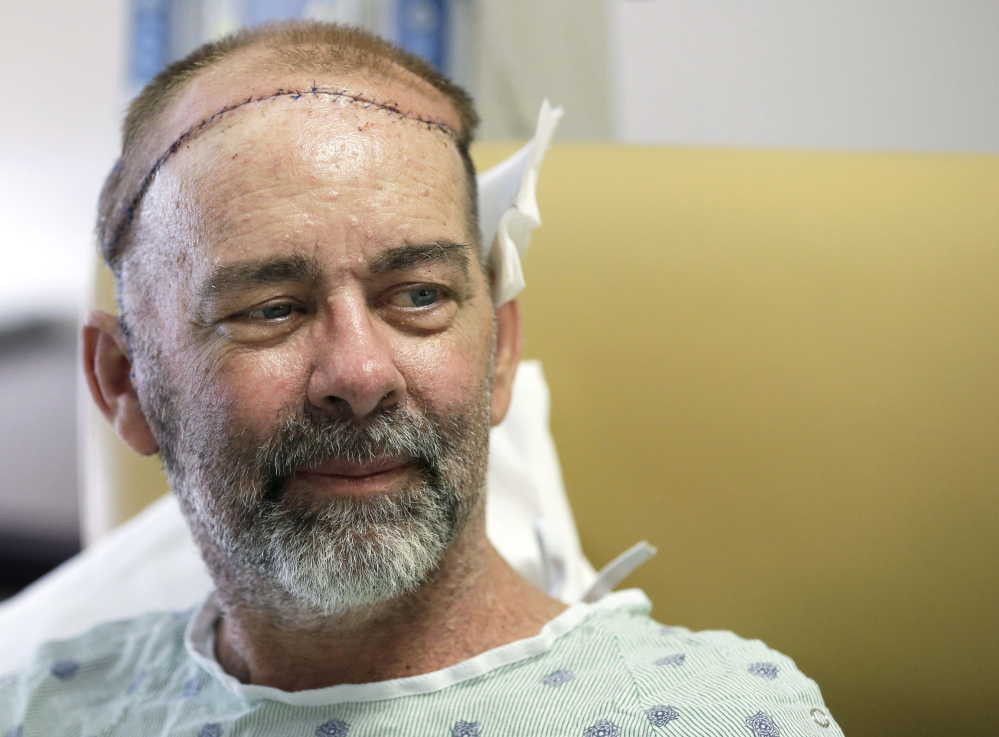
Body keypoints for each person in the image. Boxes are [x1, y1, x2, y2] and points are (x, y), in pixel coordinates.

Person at [0, 21, 842, 737]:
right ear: (123, 383)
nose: (359, 373)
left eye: (418, 296)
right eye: (270, 308)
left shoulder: (714, 715)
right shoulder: (45, 706)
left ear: (500, 351)